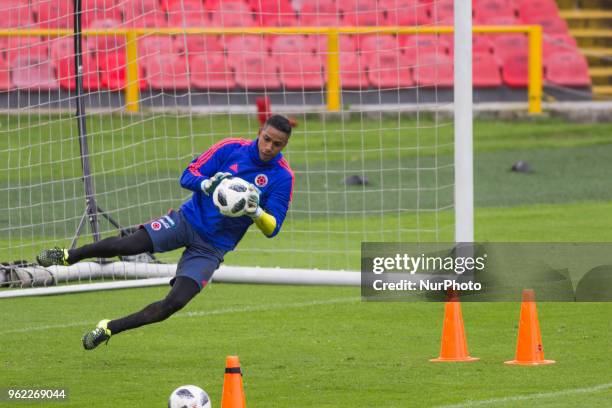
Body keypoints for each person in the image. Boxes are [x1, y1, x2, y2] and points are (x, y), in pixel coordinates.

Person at [36, 115, 295, 350]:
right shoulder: (231, 148)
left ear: (284, 146)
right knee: (127, 246)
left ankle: (108, 327)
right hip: (185, 221)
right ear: (260, 131)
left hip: (212, 248)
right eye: (267, 139)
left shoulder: (282, 177)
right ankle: (69, 255)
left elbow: (273, 228)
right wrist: (206, 184)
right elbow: (187, 175)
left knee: (173, 304)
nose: (269, 147)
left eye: (277, 144)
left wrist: (256, 212)